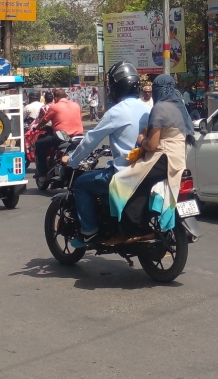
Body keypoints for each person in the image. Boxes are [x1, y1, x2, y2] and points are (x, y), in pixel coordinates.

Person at [65, 61, 150, 246]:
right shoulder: (148, 108)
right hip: (149, 170)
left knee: (81, 184)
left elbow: (90, 140)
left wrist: (72, 160)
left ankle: (89, 232)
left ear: (116, 87)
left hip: (124, 173)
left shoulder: (116, 112)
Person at [108, 74, 195, 237]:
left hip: (162, 158)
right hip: (178, 160)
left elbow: (152, 145)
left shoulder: (160, 108)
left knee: (120, 181)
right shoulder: (179, 106)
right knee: (142, 184)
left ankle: (132, 227)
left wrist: (141, 141)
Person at [33, 89, 84, 178]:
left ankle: (41, 172)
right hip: (78, 135)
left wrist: (37, 126)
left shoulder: (54, 107)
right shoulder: (76, 105)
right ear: (66, 96)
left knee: (39, 144)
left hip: (62, 136)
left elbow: (44, 120)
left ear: (55, 99)